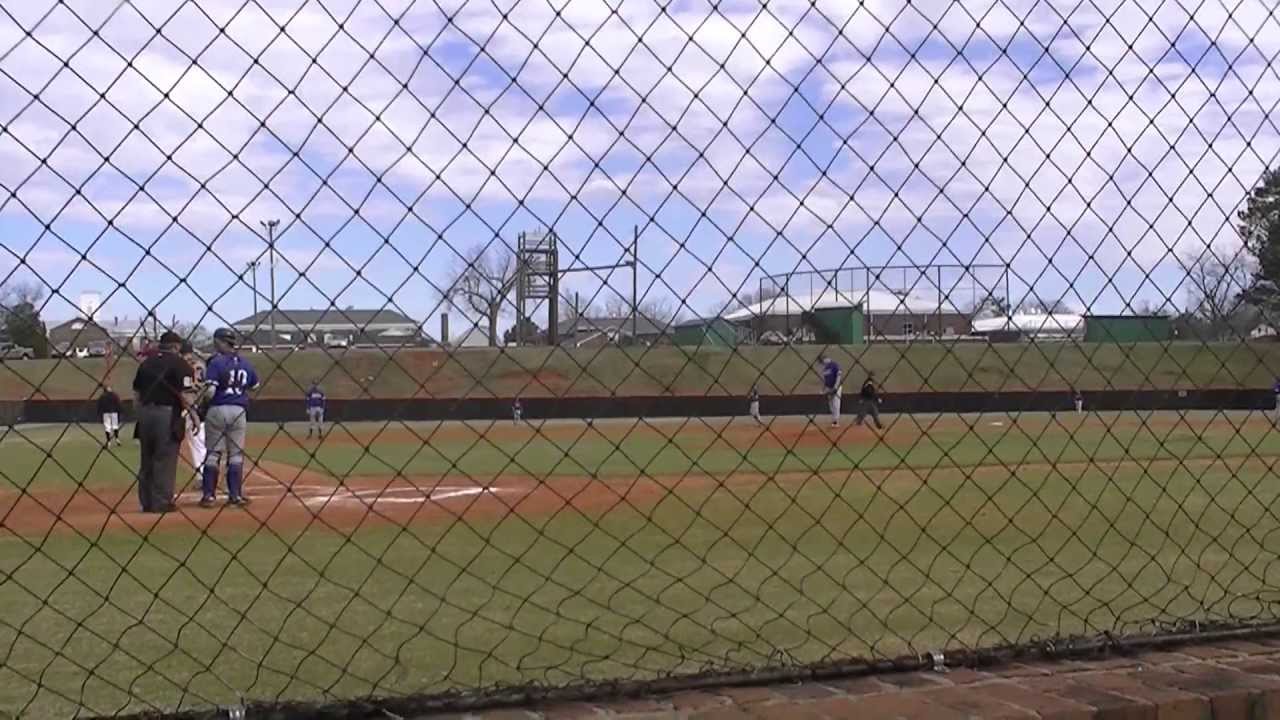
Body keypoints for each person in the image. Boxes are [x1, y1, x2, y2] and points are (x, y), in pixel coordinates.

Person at [130, 330, 193, 514]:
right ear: (176, 346)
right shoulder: (179, 363)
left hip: (144, 413)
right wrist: (194, 416)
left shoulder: (146, 363)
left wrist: (140, 414)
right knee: (164, 458)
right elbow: (186, 394)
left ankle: (146, 501)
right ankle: (162, 502)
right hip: (166, 414)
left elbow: (136, 394)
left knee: (146, 458)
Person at [201, 328, 259, 508]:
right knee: (235, 454)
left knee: (213, 453)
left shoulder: (216, 362)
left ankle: (209, 496)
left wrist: (201, 403)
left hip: (218, 408)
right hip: (238, 409)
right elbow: (255, 385)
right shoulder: (246, 363)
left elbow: (210, 392)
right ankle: (235, 495)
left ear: (220, 341)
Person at [181, 340, 207, 490]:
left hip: (185, 406)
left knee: (195, 444)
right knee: (199, 443)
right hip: (200, 405)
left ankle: (203, 478)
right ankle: (204, 476)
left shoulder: (181, 364)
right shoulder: (201, 364)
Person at [819, 356, 842, 428]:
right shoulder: (825, 368)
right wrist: (823, 390)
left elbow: (839, 376)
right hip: (829, 388)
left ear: (827, 359)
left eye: (823, 361)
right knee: (831, 405)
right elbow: (825, 381)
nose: (823, 363)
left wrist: (835, 386)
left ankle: (836, 421)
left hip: (836, 388)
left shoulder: (834, 364)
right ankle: (834, 419)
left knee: (836, 403)